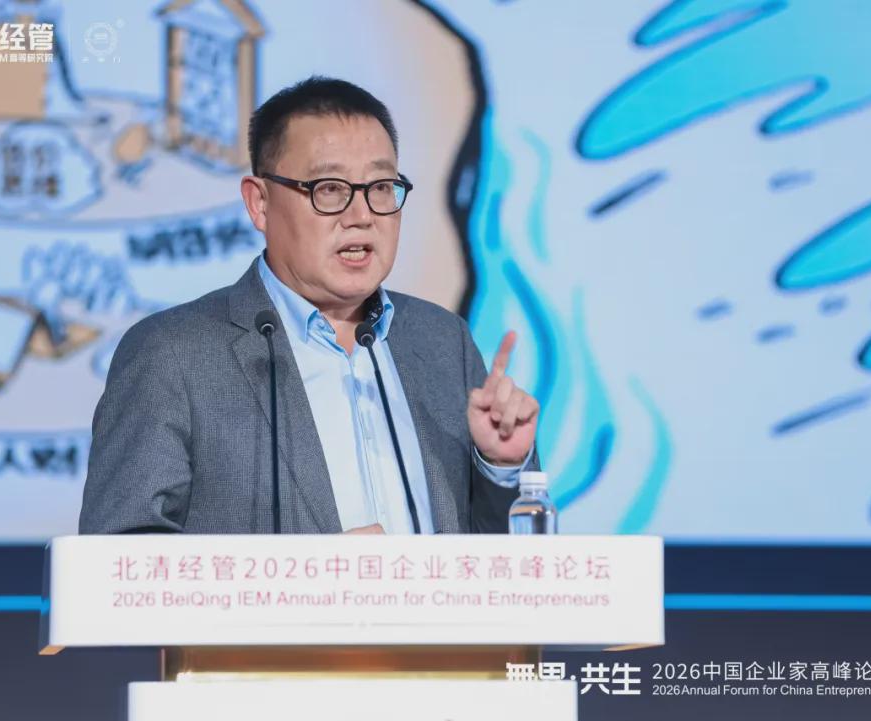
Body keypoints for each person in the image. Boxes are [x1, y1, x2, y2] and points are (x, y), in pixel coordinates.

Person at [79, 77, 540, 535]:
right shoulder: (172, 354)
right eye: (329, 188)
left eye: (381, 186)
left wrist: (500, 467)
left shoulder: (442, 340)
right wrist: (310, 570)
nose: (361, 215)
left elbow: (507, 562)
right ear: (259, 204)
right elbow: (119, 558)